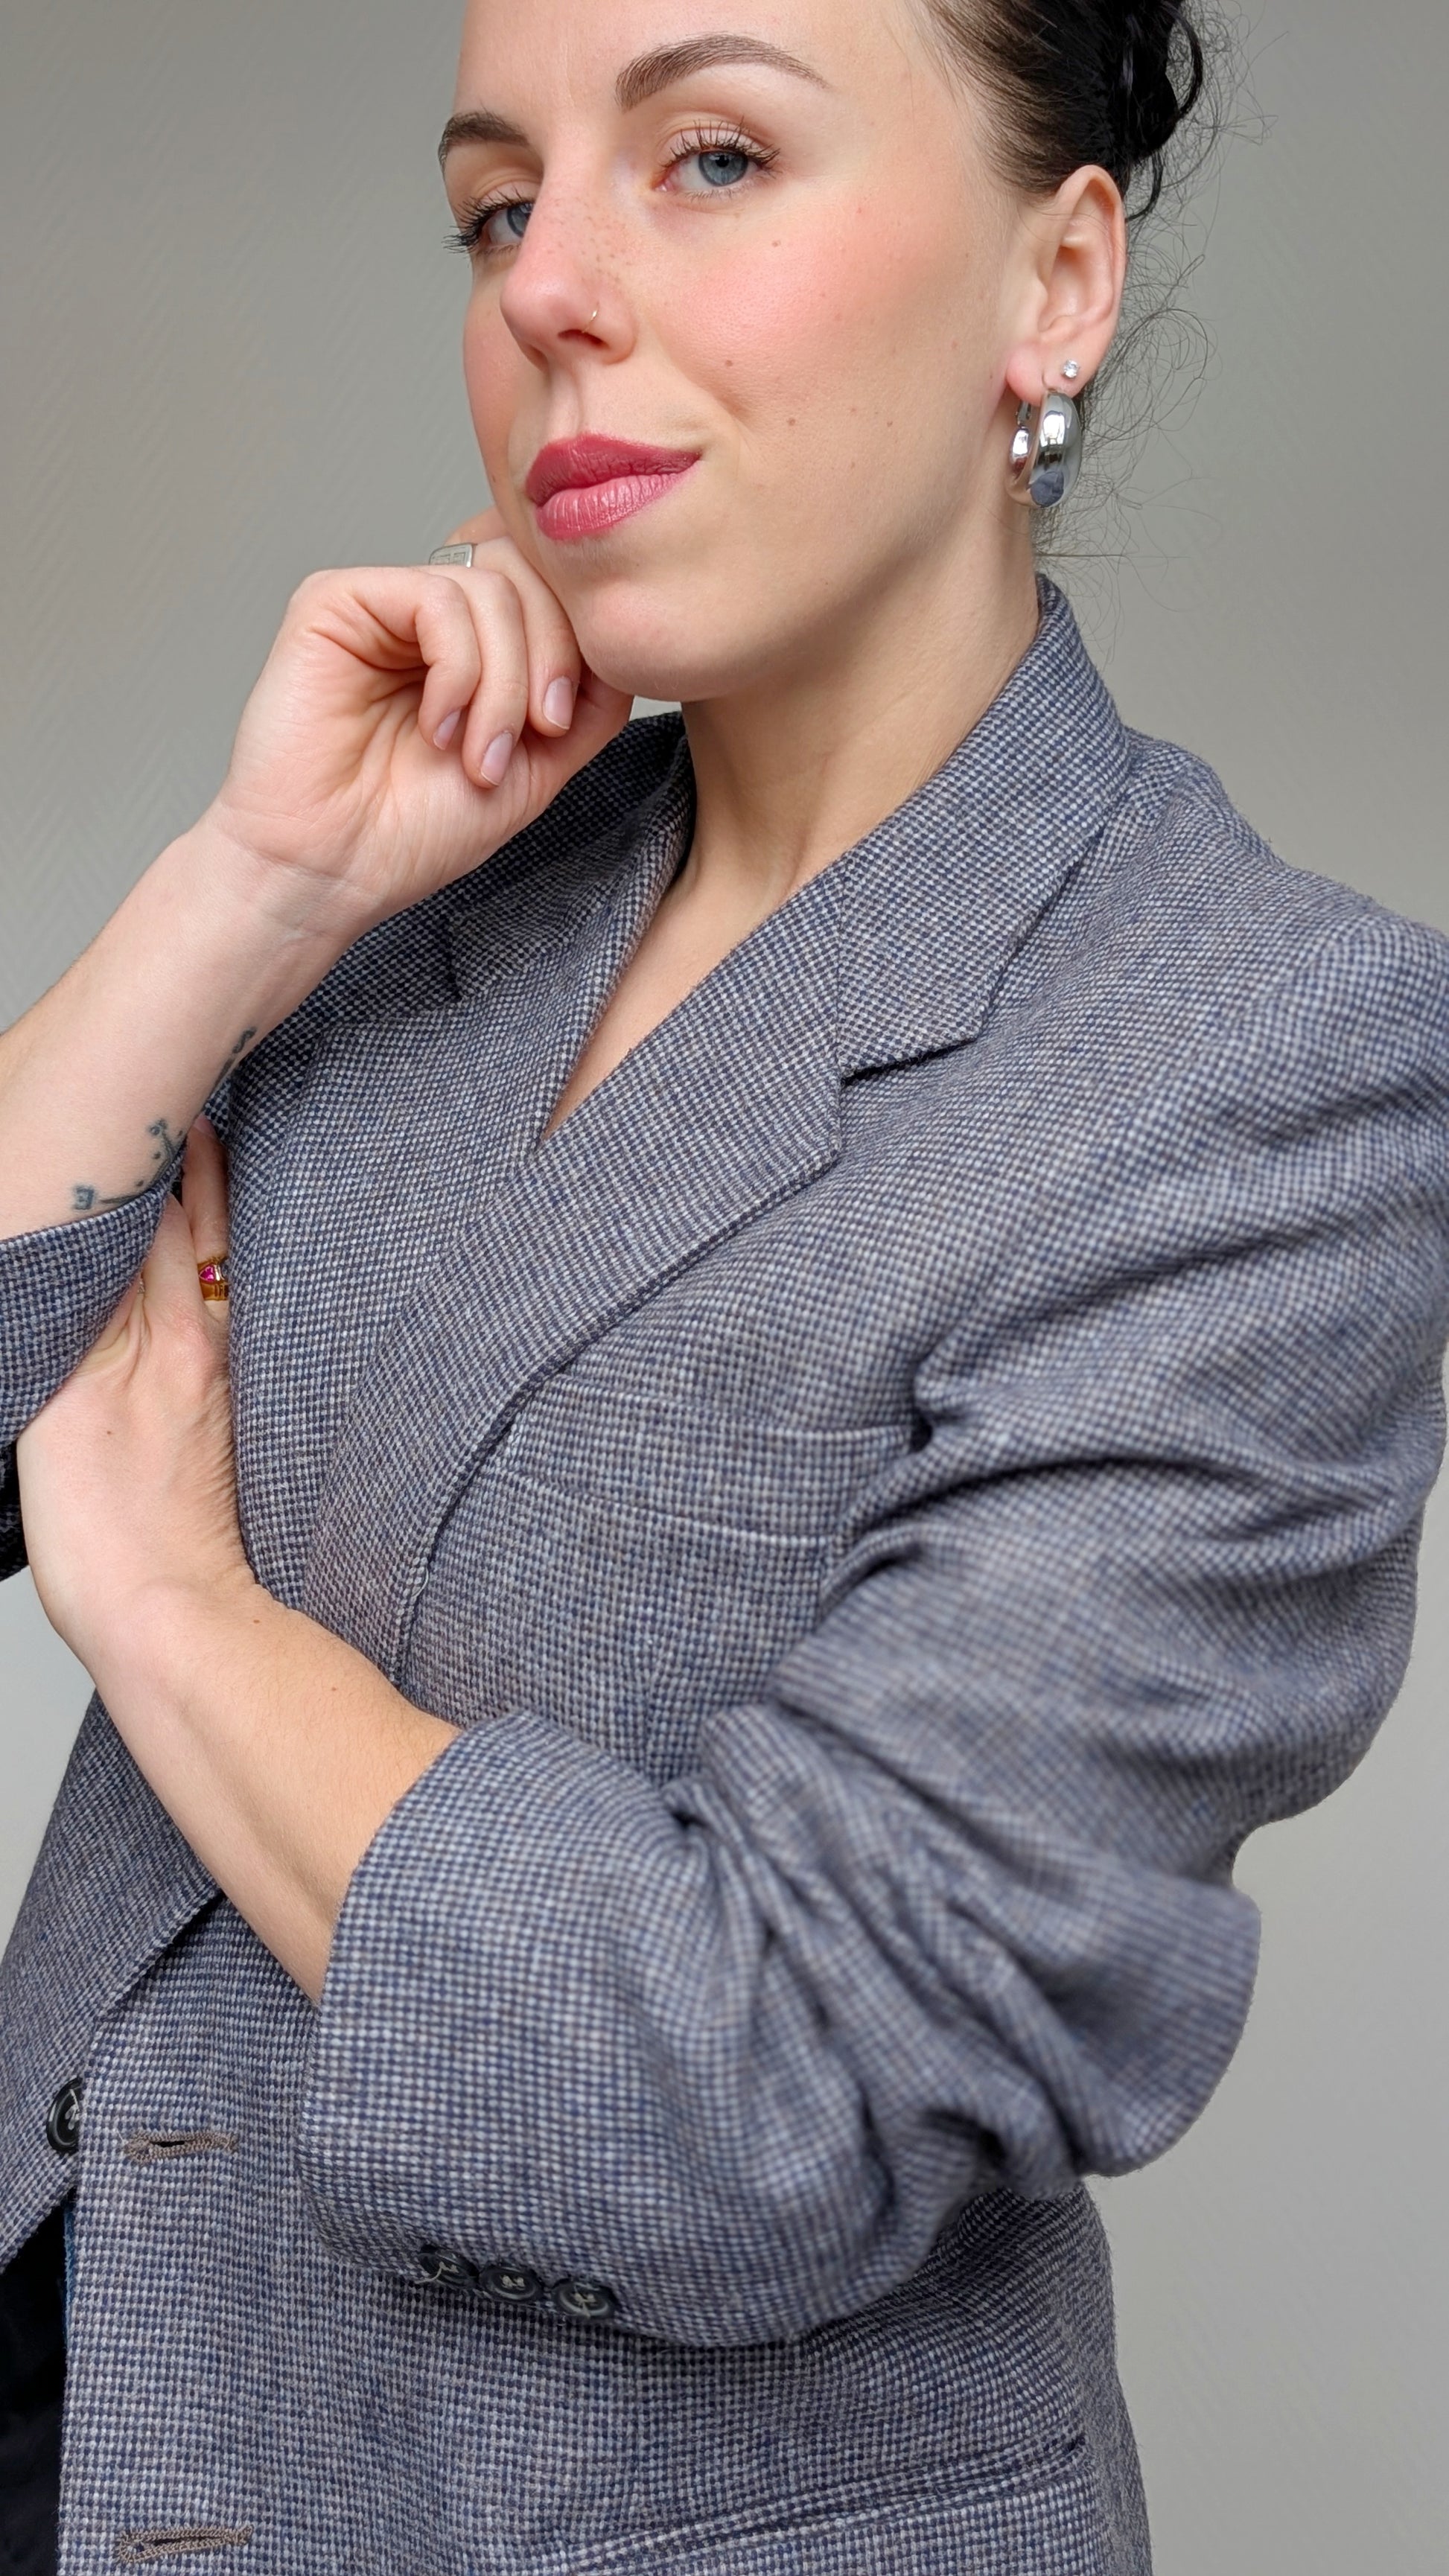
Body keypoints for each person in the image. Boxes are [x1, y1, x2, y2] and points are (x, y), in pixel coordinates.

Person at [1, 0, 1445, 2566]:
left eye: (708, 156)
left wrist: (166, 1605)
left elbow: (764, 2072)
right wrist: (248, 886)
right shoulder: (426, 877)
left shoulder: (1257, 1058)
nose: (548, 286)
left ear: (1053, 283)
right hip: (93, 2424)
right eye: (495, 205)